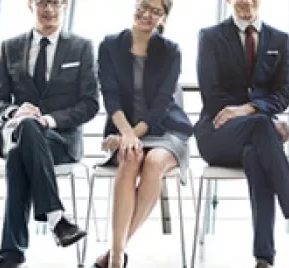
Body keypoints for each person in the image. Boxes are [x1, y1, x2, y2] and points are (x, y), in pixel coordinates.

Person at [194, 0, 289, 267]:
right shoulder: (210, 37)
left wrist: (250, 110)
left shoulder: (280, 39)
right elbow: (211, 93)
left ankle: (264, 258)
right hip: (216, 133)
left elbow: (284, 93)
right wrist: (260, 118)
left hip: (256, 133)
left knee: (257, 153)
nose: (244, 2)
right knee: (264, 129)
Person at [0, 0, 97, 267]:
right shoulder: (9, 47)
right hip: (17, 131)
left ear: (66, 5)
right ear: (30, 5)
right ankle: (57, 219)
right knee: (24, 130)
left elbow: (90, 104)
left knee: (17, 155)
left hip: (60, 140)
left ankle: (11, 255)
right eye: (42, 2)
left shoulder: (81, 47)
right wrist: (15, 112)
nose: (49, 9)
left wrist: (48, 120)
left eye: (56, 2)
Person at [92, 0, 193, 267]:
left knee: (154, 161)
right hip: (124, 127)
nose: (147, 14)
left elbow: (162, 102)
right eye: (143, 6)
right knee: (130, 157)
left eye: (156, 11)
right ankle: (116, 257)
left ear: (163, 18)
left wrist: (132, 134)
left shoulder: (171, 50)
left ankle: (115, 253)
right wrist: (126, 133)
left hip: (166, 129)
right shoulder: (110, 45)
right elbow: (110, 96)